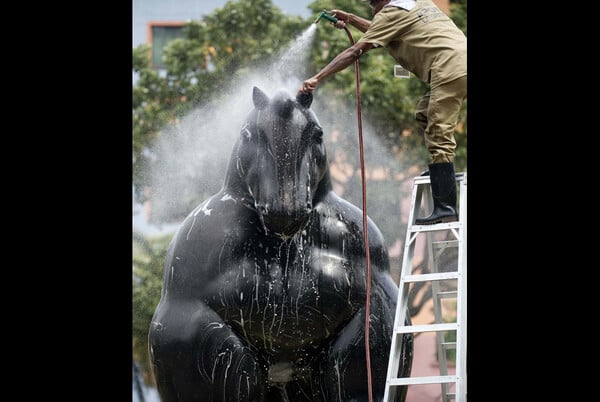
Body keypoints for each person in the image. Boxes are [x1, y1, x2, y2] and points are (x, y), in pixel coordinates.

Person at [300, 0, 467, 225]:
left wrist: (317, 77)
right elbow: (380, 28)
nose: (373, 10)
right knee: (425, 112)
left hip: (449, 69)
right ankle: (441, 175)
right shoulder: (415, 3)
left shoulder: (390, 13)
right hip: (460, 63)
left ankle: (445, 206)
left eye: (373, 6)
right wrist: (350, 18)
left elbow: (356, 50)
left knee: (438, 131)